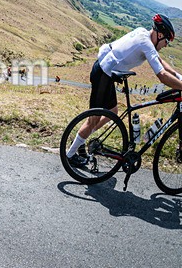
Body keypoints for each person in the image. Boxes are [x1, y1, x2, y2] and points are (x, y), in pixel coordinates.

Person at [66, 14, 182, 166]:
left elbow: (160, 62)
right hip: (103, 72)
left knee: (112, 112)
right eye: (166, 41)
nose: (166, 45)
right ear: (160, 35)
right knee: (93, 119)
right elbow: (162, 76)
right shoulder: (146, 43)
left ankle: (82, 140)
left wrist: (178, 76)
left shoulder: (143, 33)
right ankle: (70, 155)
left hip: (106, 70)